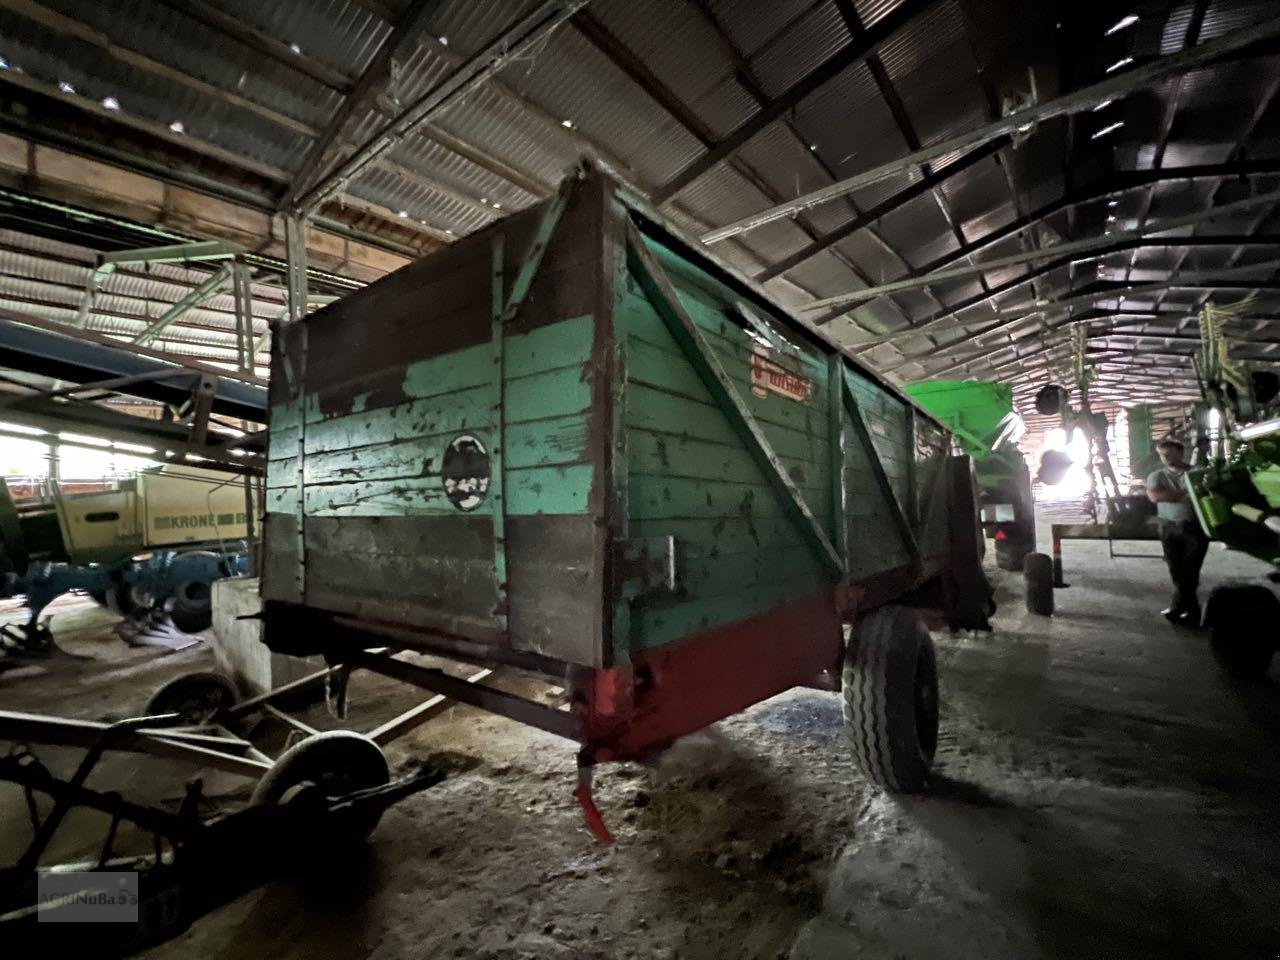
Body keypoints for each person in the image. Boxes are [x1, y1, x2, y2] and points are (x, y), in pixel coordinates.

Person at [1146, 438, 1210, 626]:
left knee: (1190, 570)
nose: (1167, 458)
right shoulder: (1157, 476)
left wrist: (1173, 495)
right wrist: (1185, 494)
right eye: (1163, 455)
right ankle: (1191, 610)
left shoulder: (1197, 474)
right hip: (1168, 527)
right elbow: (1155, 496)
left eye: (1170, 454)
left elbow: (1203, 493)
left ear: (1181, 453)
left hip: (1194, 527)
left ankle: (1179, 608)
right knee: (1176, 569)